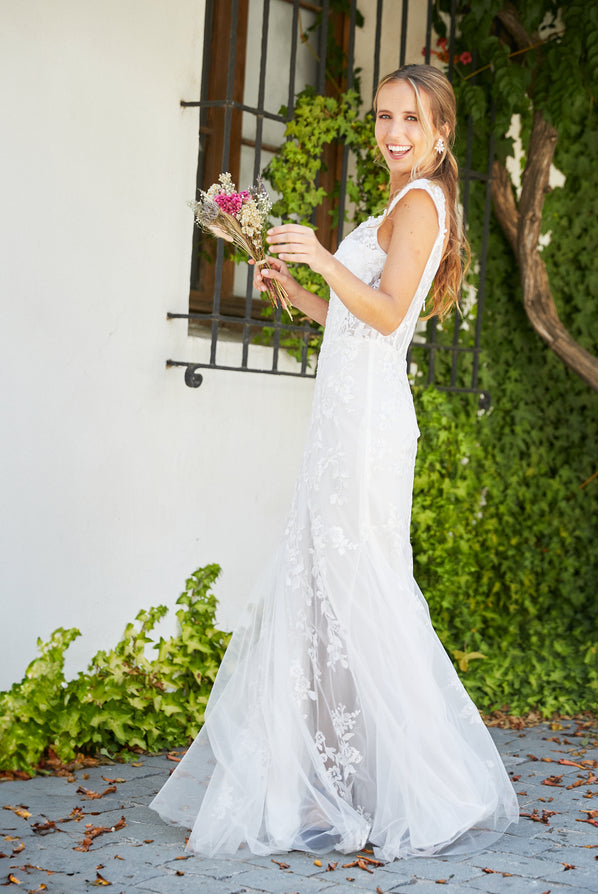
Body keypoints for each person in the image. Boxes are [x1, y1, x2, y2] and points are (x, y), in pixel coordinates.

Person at [150, 64, 518, 862]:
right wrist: (299, 288)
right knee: (322, 588)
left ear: (441, 132)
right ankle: (329, 783)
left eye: (411, 120)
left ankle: (413, 786)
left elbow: (387, 319)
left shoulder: (423, 201)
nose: (392, 132)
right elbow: (355, 321)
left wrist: (320, 254)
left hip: (366, 425)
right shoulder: (401, 199)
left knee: (359, 587)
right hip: (344, 414)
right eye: (384, 116)